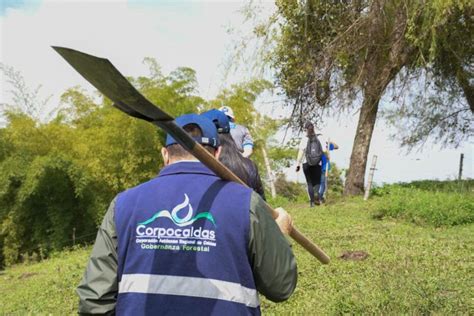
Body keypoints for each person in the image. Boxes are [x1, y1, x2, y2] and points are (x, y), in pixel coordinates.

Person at [77, 113, 297, 315]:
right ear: (218, 153)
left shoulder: (123, 204)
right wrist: (279, 234)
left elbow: (94, 300)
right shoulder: (247, 202)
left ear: (165, 154)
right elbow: (281, 286)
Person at [202, 109, 266, 200]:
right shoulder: (242, 129)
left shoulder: (199, 168)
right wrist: (241, 160)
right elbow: (248, 150)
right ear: (232, 119)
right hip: (241, 165)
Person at [295, 121, 324, 207]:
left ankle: (312, 202)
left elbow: (300, 153)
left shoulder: (304, 139)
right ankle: (316, 195)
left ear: (306, 129)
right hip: (318, 163)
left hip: (306, 163)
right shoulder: (320, 137)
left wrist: (298, 164)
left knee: (309, 183)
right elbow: (324, 150)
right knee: (317, 182)